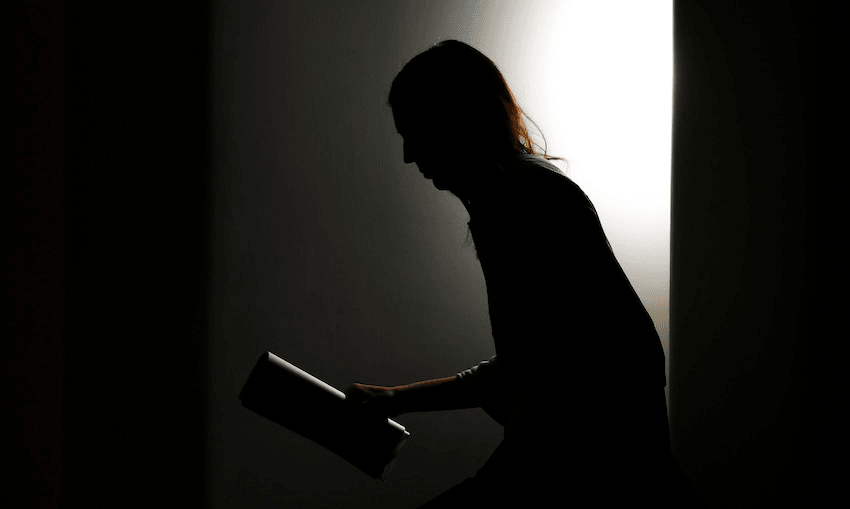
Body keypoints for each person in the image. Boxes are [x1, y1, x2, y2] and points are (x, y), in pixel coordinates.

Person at [345, 40, 701, 507]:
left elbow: (577, 370)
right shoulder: (520, 197)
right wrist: (396, 397)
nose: (409, 156)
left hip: (586, 468)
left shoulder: (523, 205)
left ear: (454, 122)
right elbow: (536, 364)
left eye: (413, 132)